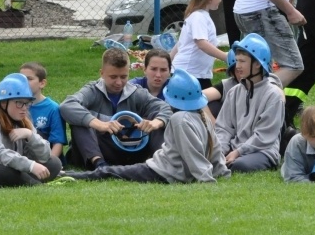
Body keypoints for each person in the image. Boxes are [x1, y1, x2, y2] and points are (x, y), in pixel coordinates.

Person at [68, 70, 230, 183]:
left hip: (164, 171)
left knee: (110, 172)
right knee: (117, 171)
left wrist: (205, 179)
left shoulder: (179, 119)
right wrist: (222, 171)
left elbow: (191, 153)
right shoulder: (202, 117)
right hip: (168, 167)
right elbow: (215, 149)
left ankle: (70, 176)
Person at [61, 47, 172, 170]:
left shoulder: (137, 93)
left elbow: (165, 108)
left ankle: (162, 162)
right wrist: (100, 125)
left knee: (159, 121)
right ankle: (99, 165)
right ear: (102, 73)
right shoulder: (92, 91)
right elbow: (67, 105)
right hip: (98, 149)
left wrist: (155, 123)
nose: (119, 82)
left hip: (129, 150)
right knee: (80, 121)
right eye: (113, 77)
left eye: (123, 77)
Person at [215, 34, 285, 173]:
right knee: (214, 159)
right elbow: (223, 128)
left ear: (257, 64)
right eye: (237, 61)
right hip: (235, 149)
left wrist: (238, 152)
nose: (238, 66)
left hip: (263, 151)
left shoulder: (273, 95)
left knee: (240, 166)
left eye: (242, 61)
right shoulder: (234, 92)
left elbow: (264, 136)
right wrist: (220, 151)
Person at [170, 0, 229, 89]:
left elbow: (180, 43)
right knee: (201, 105)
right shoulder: (199, 17)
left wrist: (169, 59)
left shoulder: (197, 16)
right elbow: (201, 43)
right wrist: (226, 57)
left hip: (193, 73)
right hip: (190, 74)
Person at [22, 61, 67, 160]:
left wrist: (50, 163)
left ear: (42, 83)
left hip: (46, 156)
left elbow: (58, 143)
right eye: (21, 79)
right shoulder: (14, 106)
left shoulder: (52, 108)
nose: (24, 82)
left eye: (29, 79)